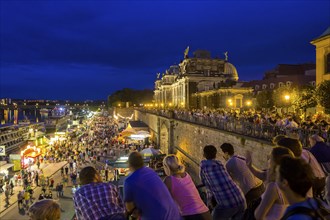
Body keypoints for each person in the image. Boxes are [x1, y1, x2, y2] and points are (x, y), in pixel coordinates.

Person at [124, 152, 181, 220]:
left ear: (129, 165)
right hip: (174, 214)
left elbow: (129, 207)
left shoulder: (129, 181)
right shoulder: (150, 171)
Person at [200, 145, 246, 220]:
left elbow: (203, 181)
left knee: (211, 218)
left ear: (204, 155)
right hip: (241, 198)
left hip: (228, 204)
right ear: (215, 155)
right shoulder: (220, 163)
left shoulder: (203, 165)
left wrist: (209, 204)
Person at [220, 143, 264, 220]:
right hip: (261, 185)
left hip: (251, 191)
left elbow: (229, 182)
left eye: (222, 153)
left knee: (249, 215)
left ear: (226, 153)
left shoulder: (228, 164)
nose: (222, 155)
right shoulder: (241, 157)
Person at [163, 154, 211, 220]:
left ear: (166, 167)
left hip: (191, 216)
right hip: (205, 213)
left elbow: (162, 199)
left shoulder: (168, 180)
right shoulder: (186, 174)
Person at [254, 147, 293, 220]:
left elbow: (258, 216)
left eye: (270, 158)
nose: (268, 161)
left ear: (274, 162)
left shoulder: (273, 187)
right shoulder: (291, 182)